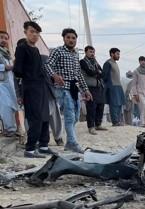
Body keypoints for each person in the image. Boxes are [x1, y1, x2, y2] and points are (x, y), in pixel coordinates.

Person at [45, 28, 92, 153]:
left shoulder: (76, 54)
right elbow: (47, 64)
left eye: (73, 38)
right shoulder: (58, 51)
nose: (71, 40)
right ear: (64, 38)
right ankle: (72, 143)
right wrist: (54, 75)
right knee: (70, 116)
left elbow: (78, 74)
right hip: (61, 88)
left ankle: (69, 143)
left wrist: (86, 90)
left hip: (73, 88)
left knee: (76, 116)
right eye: (68, 37)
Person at [13, 21, 51, 158]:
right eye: (32, 31)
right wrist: (29, 78)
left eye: (37, 32)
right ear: (26, 32)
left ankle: (44, 146)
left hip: (41, 86)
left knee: (45, 116)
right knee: (36, 117)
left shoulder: (36, 50)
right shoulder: (22, 48)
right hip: (30, 87)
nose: (35, 35)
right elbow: (17, 70)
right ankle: (29, 149)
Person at [80, 45, 107, 134]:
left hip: (99, 86)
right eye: (90, 52)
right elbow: (89, 72)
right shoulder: (83, 62)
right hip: (90, 87)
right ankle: (91, 127)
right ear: (86, 52)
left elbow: (102, 72)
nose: (92, 54)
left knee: (100, 106)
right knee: (91, 107)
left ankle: (98, 124)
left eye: (93, 52)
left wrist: (98, 73)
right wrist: (97, 72)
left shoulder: (95, 62)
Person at [0, 30, 18, 137]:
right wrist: (4, 67)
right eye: (1, 37)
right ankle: (10, 129)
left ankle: (10, 128)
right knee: (5, 105)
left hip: (9, 83)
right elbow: (6, 67)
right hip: (1, 83)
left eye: (6, 38)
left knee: (11, 105)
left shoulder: (6, 53)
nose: (3, 40)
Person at [103, 48, 126, 126]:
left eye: (119, 54)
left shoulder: (115, 63)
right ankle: (115, 122)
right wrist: (108, 87)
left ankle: (118, 120)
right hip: (112, 86)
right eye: (117, 54)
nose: (118, 56)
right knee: (114, 105)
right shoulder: (108, 63)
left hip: (118, 85)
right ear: (112, 54)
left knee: (120, 104)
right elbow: (104, 76)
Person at [129, 56, 145, 128]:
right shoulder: (136, 71)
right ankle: (143, 123)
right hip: (139, 92)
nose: (143, 62)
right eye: (142, 60)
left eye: (144, 61)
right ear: (139, 62)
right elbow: (133, 84)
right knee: (144, 106)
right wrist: (135, 94)